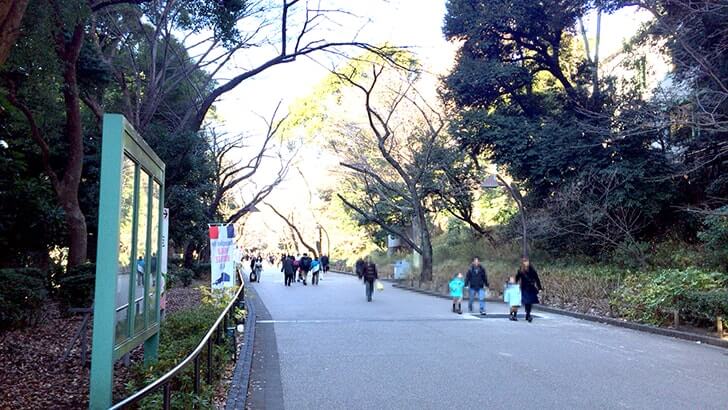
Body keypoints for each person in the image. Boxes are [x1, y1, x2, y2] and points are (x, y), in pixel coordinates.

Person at [516, 258, 543, 322]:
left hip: (531, 287)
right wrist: (514, 285)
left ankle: (528, 314)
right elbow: (517, 278)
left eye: (527, 261)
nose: (526, 263)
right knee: (527, 301)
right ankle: (528, 314)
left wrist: (539, 288)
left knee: (530, 302)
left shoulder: (532, 270)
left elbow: (537, 279)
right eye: (524, 262)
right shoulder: (521, 270)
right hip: (524, 287)